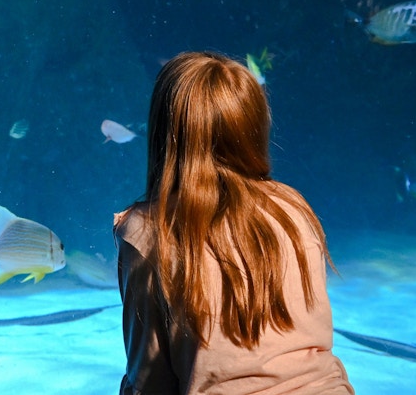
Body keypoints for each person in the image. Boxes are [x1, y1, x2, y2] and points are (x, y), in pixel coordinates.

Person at [114, 52, 354, 395]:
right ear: (255, 126)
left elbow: (150, 382)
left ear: (164, 134)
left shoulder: (146, 231)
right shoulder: (293, 208)